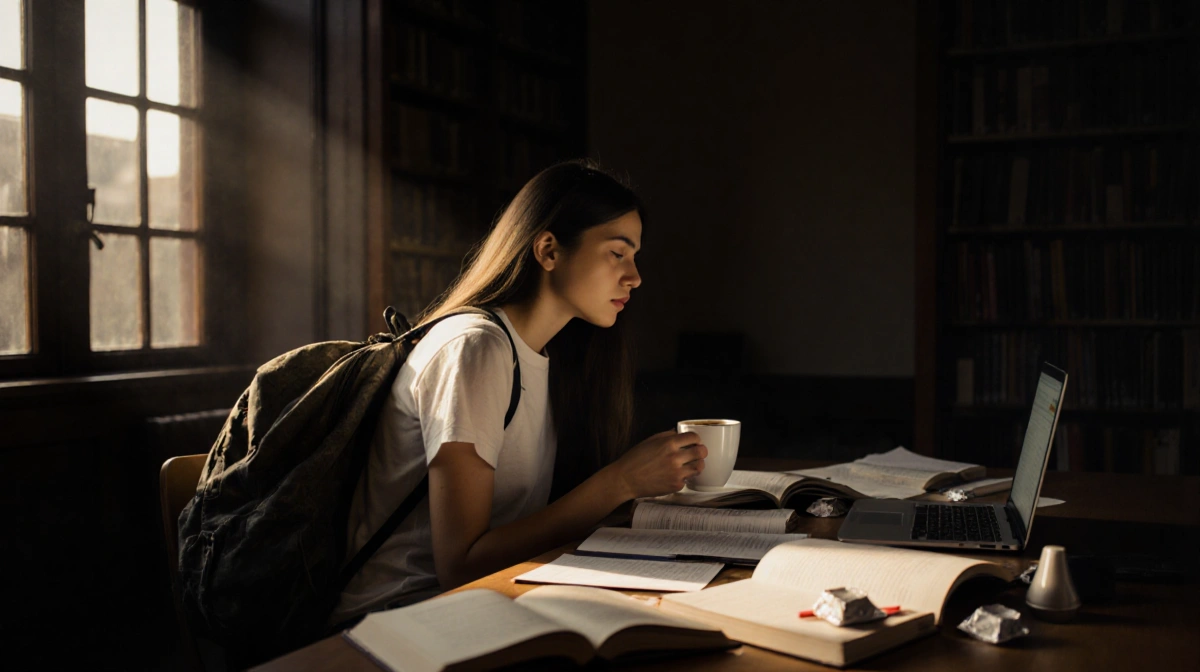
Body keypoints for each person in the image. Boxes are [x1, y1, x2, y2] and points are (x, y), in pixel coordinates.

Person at [330, 160, 708, 625]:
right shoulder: (477, 348)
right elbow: (460, 566)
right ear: (549, 250)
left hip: (491, 603)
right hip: (400, 620)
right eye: (617, 253)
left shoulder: (544, 355)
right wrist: (621, 482)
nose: (635, 277)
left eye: (635, 257)